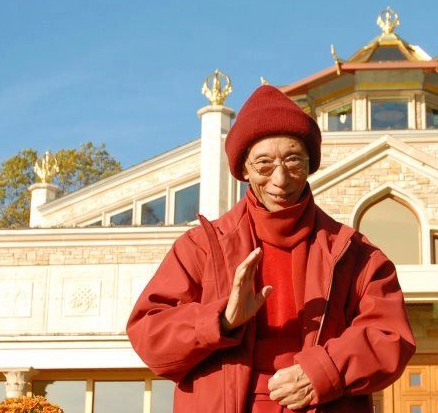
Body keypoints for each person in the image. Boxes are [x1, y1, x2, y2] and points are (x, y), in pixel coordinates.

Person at [127, 85, 415, 413]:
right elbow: (148, 334)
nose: (280, 179)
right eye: (264, 164)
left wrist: (325, 370)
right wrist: (221, 320)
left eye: (293, 160)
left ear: (310, 164)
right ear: (244, 170)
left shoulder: (355, 254)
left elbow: (390, 335)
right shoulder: (202, 248)